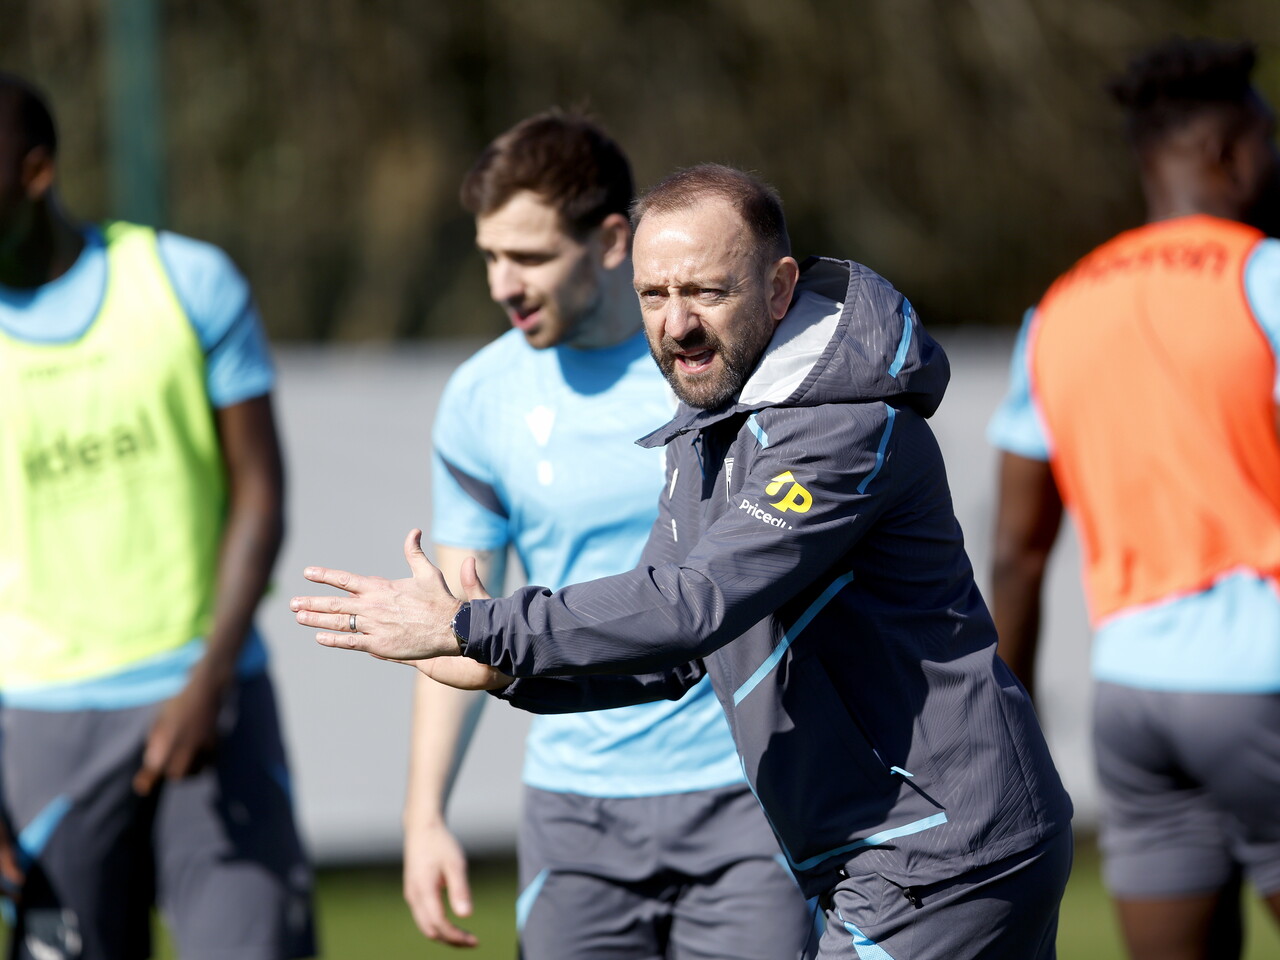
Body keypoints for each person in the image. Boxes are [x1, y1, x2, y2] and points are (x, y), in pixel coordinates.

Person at [294, 163, 1075, 959]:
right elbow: (676, 653)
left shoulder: (844, 428)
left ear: (778, 287)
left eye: (705, 291)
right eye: (654, 295)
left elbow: (691, 603)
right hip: (881, 853)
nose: (677, 324)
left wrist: (478, 625)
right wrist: (504, 671)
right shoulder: (710, 425)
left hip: (945, 857)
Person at [403, 113, 813, 958]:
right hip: (573, 813)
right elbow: (457, 623)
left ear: (612, 240)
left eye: (530, 257)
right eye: (489, 256)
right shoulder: (481, 400)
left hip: (747, 793)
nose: (502, 284)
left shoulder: (716, 365)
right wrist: (424, 816)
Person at [0, 74, 315, 959]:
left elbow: (260, 491)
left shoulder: (186, 282)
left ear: (35, 173)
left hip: (209, 695)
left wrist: (211, 675)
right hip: (37, 725)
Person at [986, 37, 1280, 960]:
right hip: (1266, 684)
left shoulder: (1058, 311)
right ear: (1231, 151)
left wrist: (1009, 742)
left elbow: (1018, 554)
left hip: (1138, 704)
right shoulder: (1266, 280)